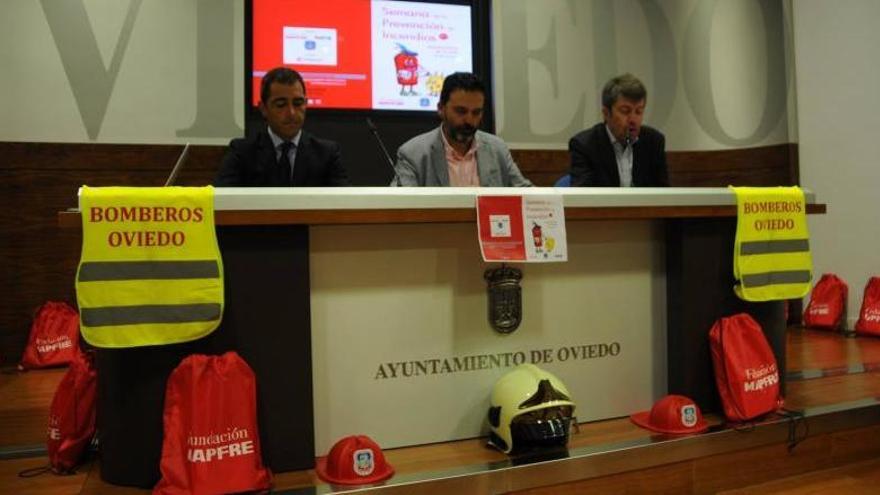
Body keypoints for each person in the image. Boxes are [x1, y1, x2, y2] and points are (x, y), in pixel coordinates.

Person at [215, 67, 350, 187]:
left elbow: (345, 206)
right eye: (281, 104)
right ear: (263, 109)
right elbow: (222, 201)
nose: (291, 113)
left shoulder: (326, 154)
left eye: (298, 103)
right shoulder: (242, 153)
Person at [392, 72, 532, 187]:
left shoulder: (497, 149)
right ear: (441, 108)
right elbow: (400, 204)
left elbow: (525, 193)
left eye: (476, 112)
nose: (469, 120)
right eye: (460, 111)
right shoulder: (413, 154)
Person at [568, 74, 668, 187]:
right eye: (625, 111)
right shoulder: (585, 145)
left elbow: (663, 194)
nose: (633, 119)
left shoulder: (654, 142)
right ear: (606, 113)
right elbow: (583, 197)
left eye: (639, 111)